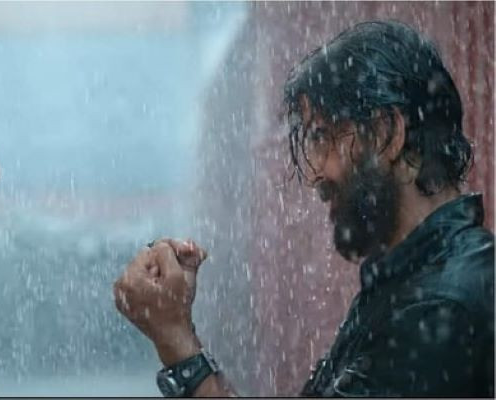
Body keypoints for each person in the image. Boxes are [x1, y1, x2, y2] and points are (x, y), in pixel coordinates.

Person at [114, 20, 494, 397]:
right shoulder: (421, 275)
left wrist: (175, 338)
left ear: (386, 134)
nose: (315, 176)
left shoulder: (438, 305)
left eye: (322, 137)